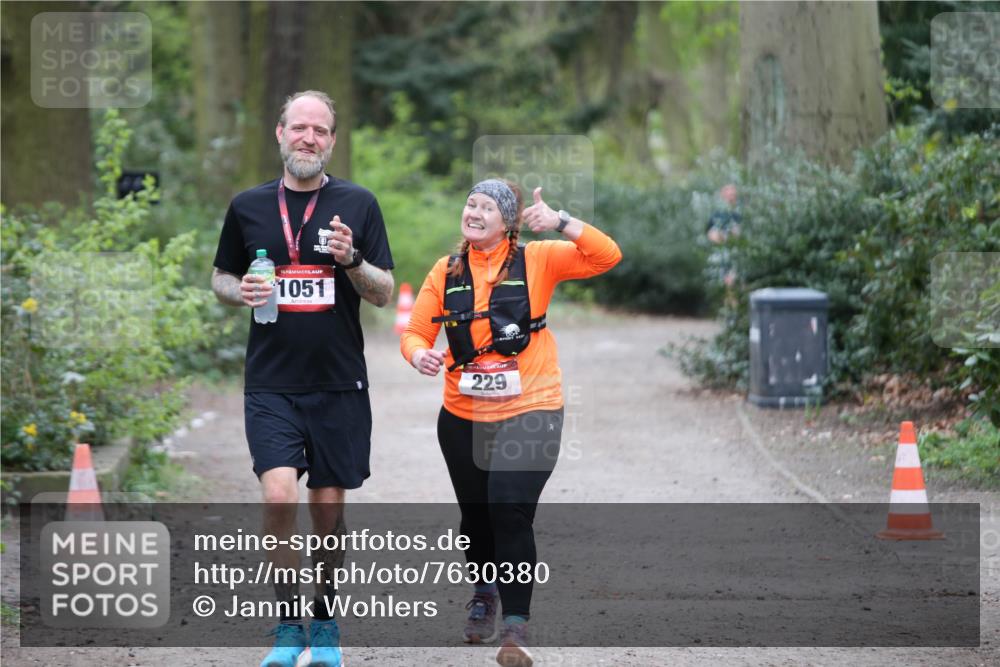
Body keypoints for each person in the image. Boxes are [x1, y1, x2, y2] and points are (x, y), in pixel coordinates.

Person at [400, 179, 621, 667]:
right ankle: (484, 592)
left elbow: (607, 256)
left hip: (532, 407)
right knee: (475, 514)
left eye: (485, 207)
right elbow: (417, 331)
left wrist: (562, 221)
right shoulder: (446, 269)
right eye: (469, 203)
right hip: (462, 414)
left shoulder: (537, 259)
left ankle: (515, 629)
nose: (473, 211)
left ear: (508, 221)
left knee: (508, 507)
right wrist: (419, 356)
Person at [211, 90, 394, 667]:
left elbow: (385, 292)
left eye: (320, 130)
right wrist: (238, 291)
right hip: (271, 382)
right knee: (277, 494)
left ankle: (326, 618)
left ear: (332, 140)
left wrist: (351, 262)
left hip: (338, 382)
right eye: (299, 127)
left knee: (327, 507)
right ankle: (289, 625)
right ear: (279, 132)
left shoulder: (358, 204)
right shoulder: (247, 206)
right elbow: (220, 277)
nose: (309, 138)